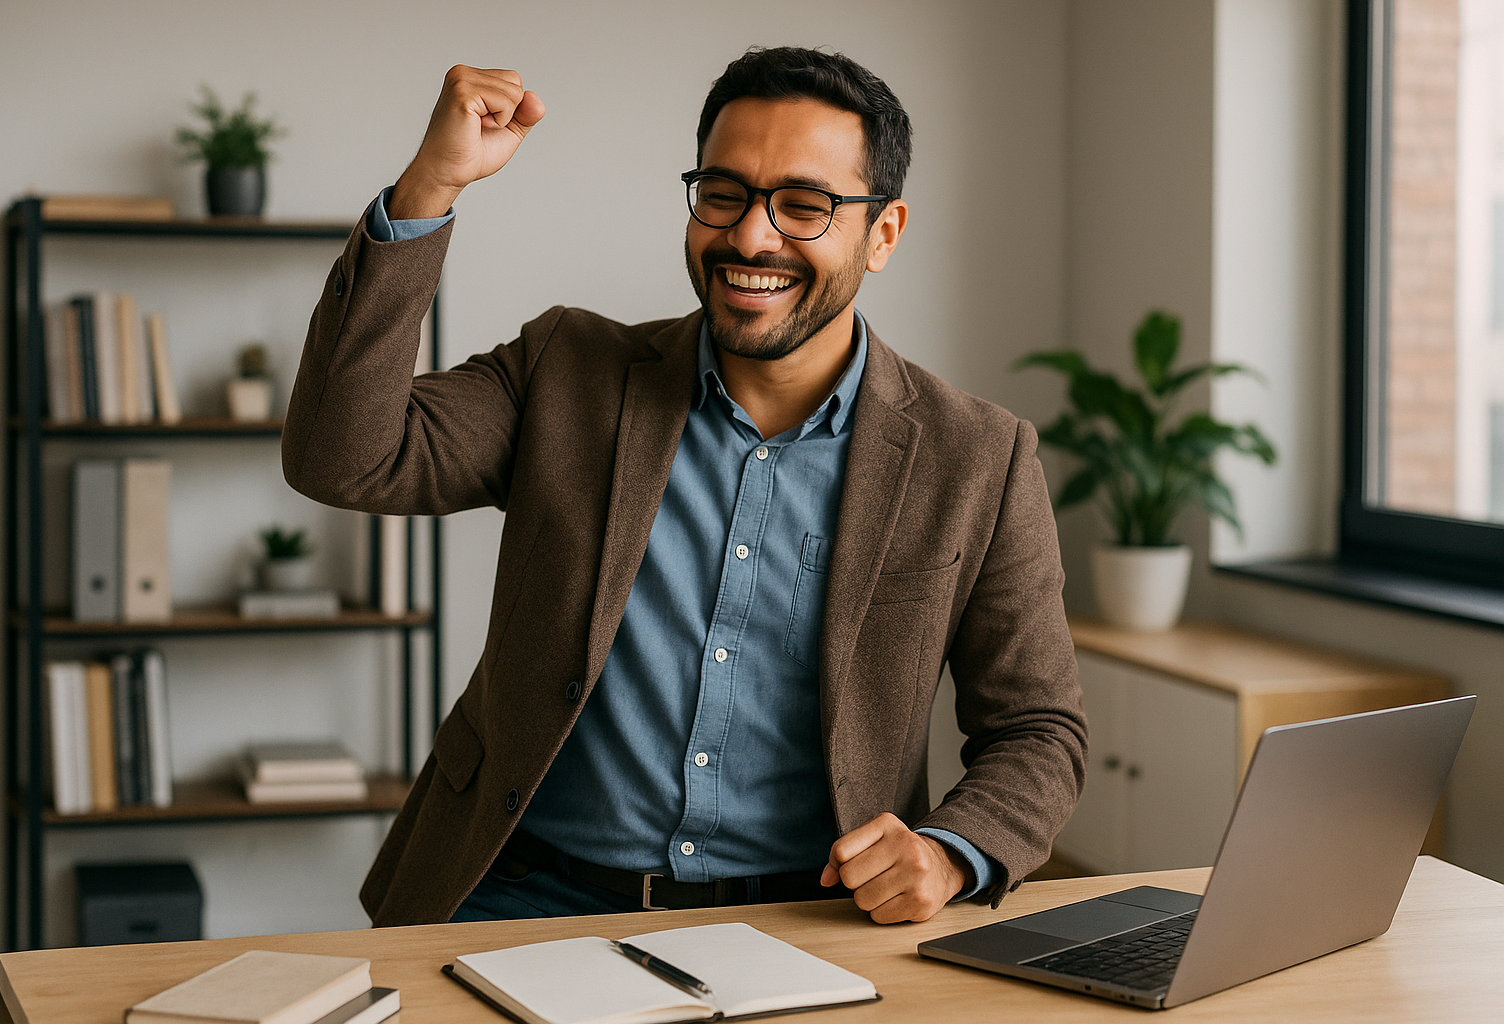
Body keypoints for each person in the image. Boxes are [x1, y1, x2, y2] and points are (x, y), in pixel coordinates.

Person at [283, 46, 1086, 929]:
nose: (750, 236)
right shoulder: (567, 372)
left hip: (808, 920)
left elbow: (1038, 730)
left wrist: (947, 853)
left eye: (804, 206)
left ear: (883, 233)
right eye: (724, 193)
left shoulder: (978, 457)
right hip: (517, 897)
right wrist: (430, 188)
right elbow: (341, 454)